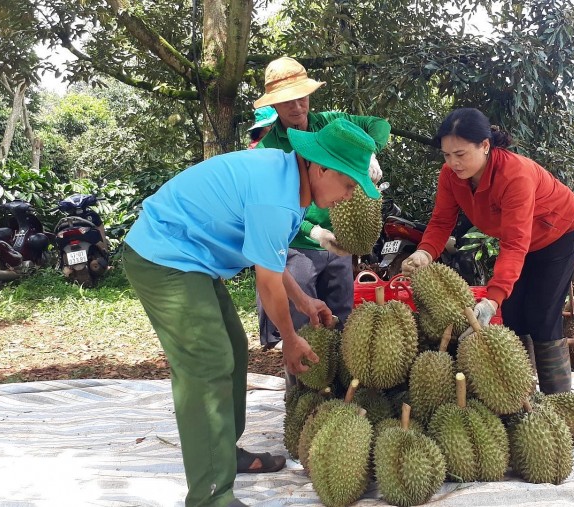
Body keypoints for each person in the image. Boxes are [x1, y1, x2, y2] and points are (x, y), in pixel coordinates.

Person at [121, 118, 380, 507]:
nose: (347, 196)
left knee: (234, 349)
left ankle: (223, 452)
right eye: (347, 184)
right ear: (322, 168)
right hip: (164, 256)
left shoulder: (289, 184)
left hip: (193, 259)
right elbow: (266, 283)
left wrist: (304, 302)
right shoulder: (277, 196)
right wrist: (289, 340)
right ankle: (210, 495)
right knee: (208, 362)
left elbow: (270, 262)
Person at [402, 107, 574, 394]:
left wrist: (492, 298)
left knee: (542, 315)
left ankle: (558, 401)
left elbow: (514, 243)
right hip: (519, 240)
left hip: (558, 232)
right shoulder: (450, 176)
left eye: (460, 154)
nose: (453, 163)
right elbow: (441, 221)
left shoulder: (515, 175)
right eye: (447, 155)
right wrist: (424, 253)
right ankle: (521, 394)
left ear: (485, 146)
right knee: (513, 315)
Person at [252, 56, 390, 357]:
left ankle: (338, 391)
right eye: (287, 101)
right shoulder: (268, 151)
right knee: (304, 322)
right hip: (298, 246)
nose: (297, 107)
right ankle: (301, 391)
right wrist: (312, 230)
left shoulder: (331, 126)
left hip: (336, 243)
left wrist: (368, 152)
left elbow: (378, 125)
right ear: (274, 105)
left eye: (302, 98)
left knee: (340, 317)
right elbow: (269, 214)